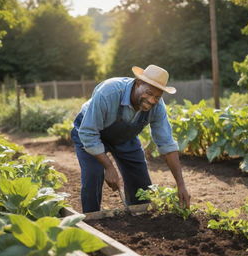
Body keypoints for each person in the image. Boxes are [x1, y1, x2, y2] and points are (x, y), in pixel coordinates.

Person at [71, 64, 191, 213]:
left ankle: (139, 215)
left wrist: (181, 184)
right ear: (138, 82)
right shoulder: (109, 92)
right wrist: (109, 167)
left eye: (157, 97)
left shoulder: (158, 107)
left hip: (125, 137)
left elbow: (167, 145)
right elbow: (88, 133)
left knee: (140, 182)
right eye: (148, 93)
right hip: (90, 131)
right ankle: (92, 220)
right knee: (93, 175)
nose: (152, 100)